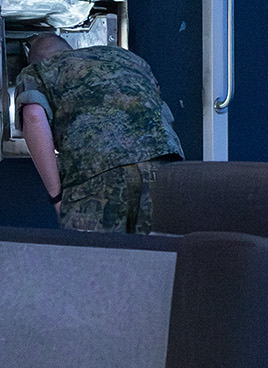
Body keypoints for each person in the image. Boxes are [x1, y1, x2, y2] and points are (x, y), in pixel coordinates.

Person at [15, 33, 182, 232]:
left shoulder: (38, 70)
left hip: (97, 172)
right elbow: (161, 110)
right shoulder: (128, 58)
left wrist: (57, 197)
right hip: (165, 166)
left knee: (96, 250)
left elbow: (34, 117)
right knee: (159, 249)